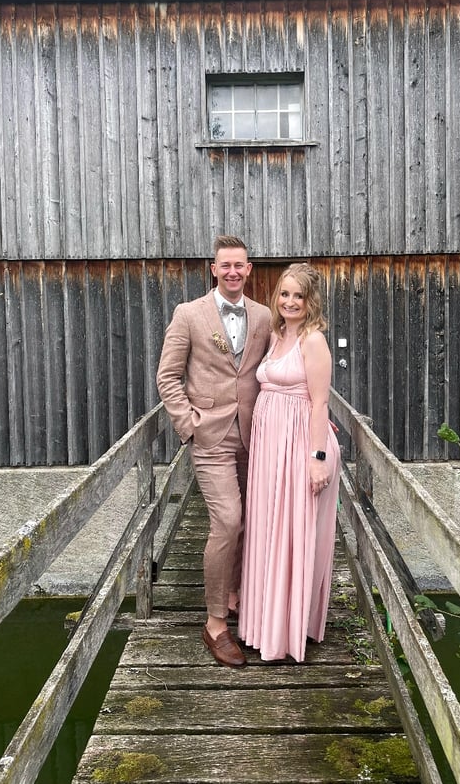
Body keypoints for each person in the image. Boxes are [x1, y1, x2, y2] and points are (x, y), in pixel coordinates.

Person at [156, 235, 271, 668]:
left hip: (256, 436)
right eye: (226, 265)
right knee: (228, 520)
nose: (233, 272)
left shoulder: (264, 316)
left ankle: (235, 593)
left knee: (250, 520)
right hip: (211, 437)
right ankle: (216, 623)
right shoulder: (188, 314)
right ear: (214, 269)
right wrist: (188, 426)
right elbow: (168, 376)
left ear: (249, 269)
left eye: (239, 265)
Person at [238, 262, 341, 662]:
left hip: (300, 445)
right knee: (268, 528)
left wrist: (317, 459)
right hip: (270, 448)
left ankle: (286, 633)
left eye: (299, 295)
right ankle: (263, 625)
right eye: (285, 293)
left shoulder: (313, 341)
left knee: (292, 531)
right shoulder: (277, 334)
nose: (290, 301)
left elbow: (319, 403)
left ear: (311, 300)